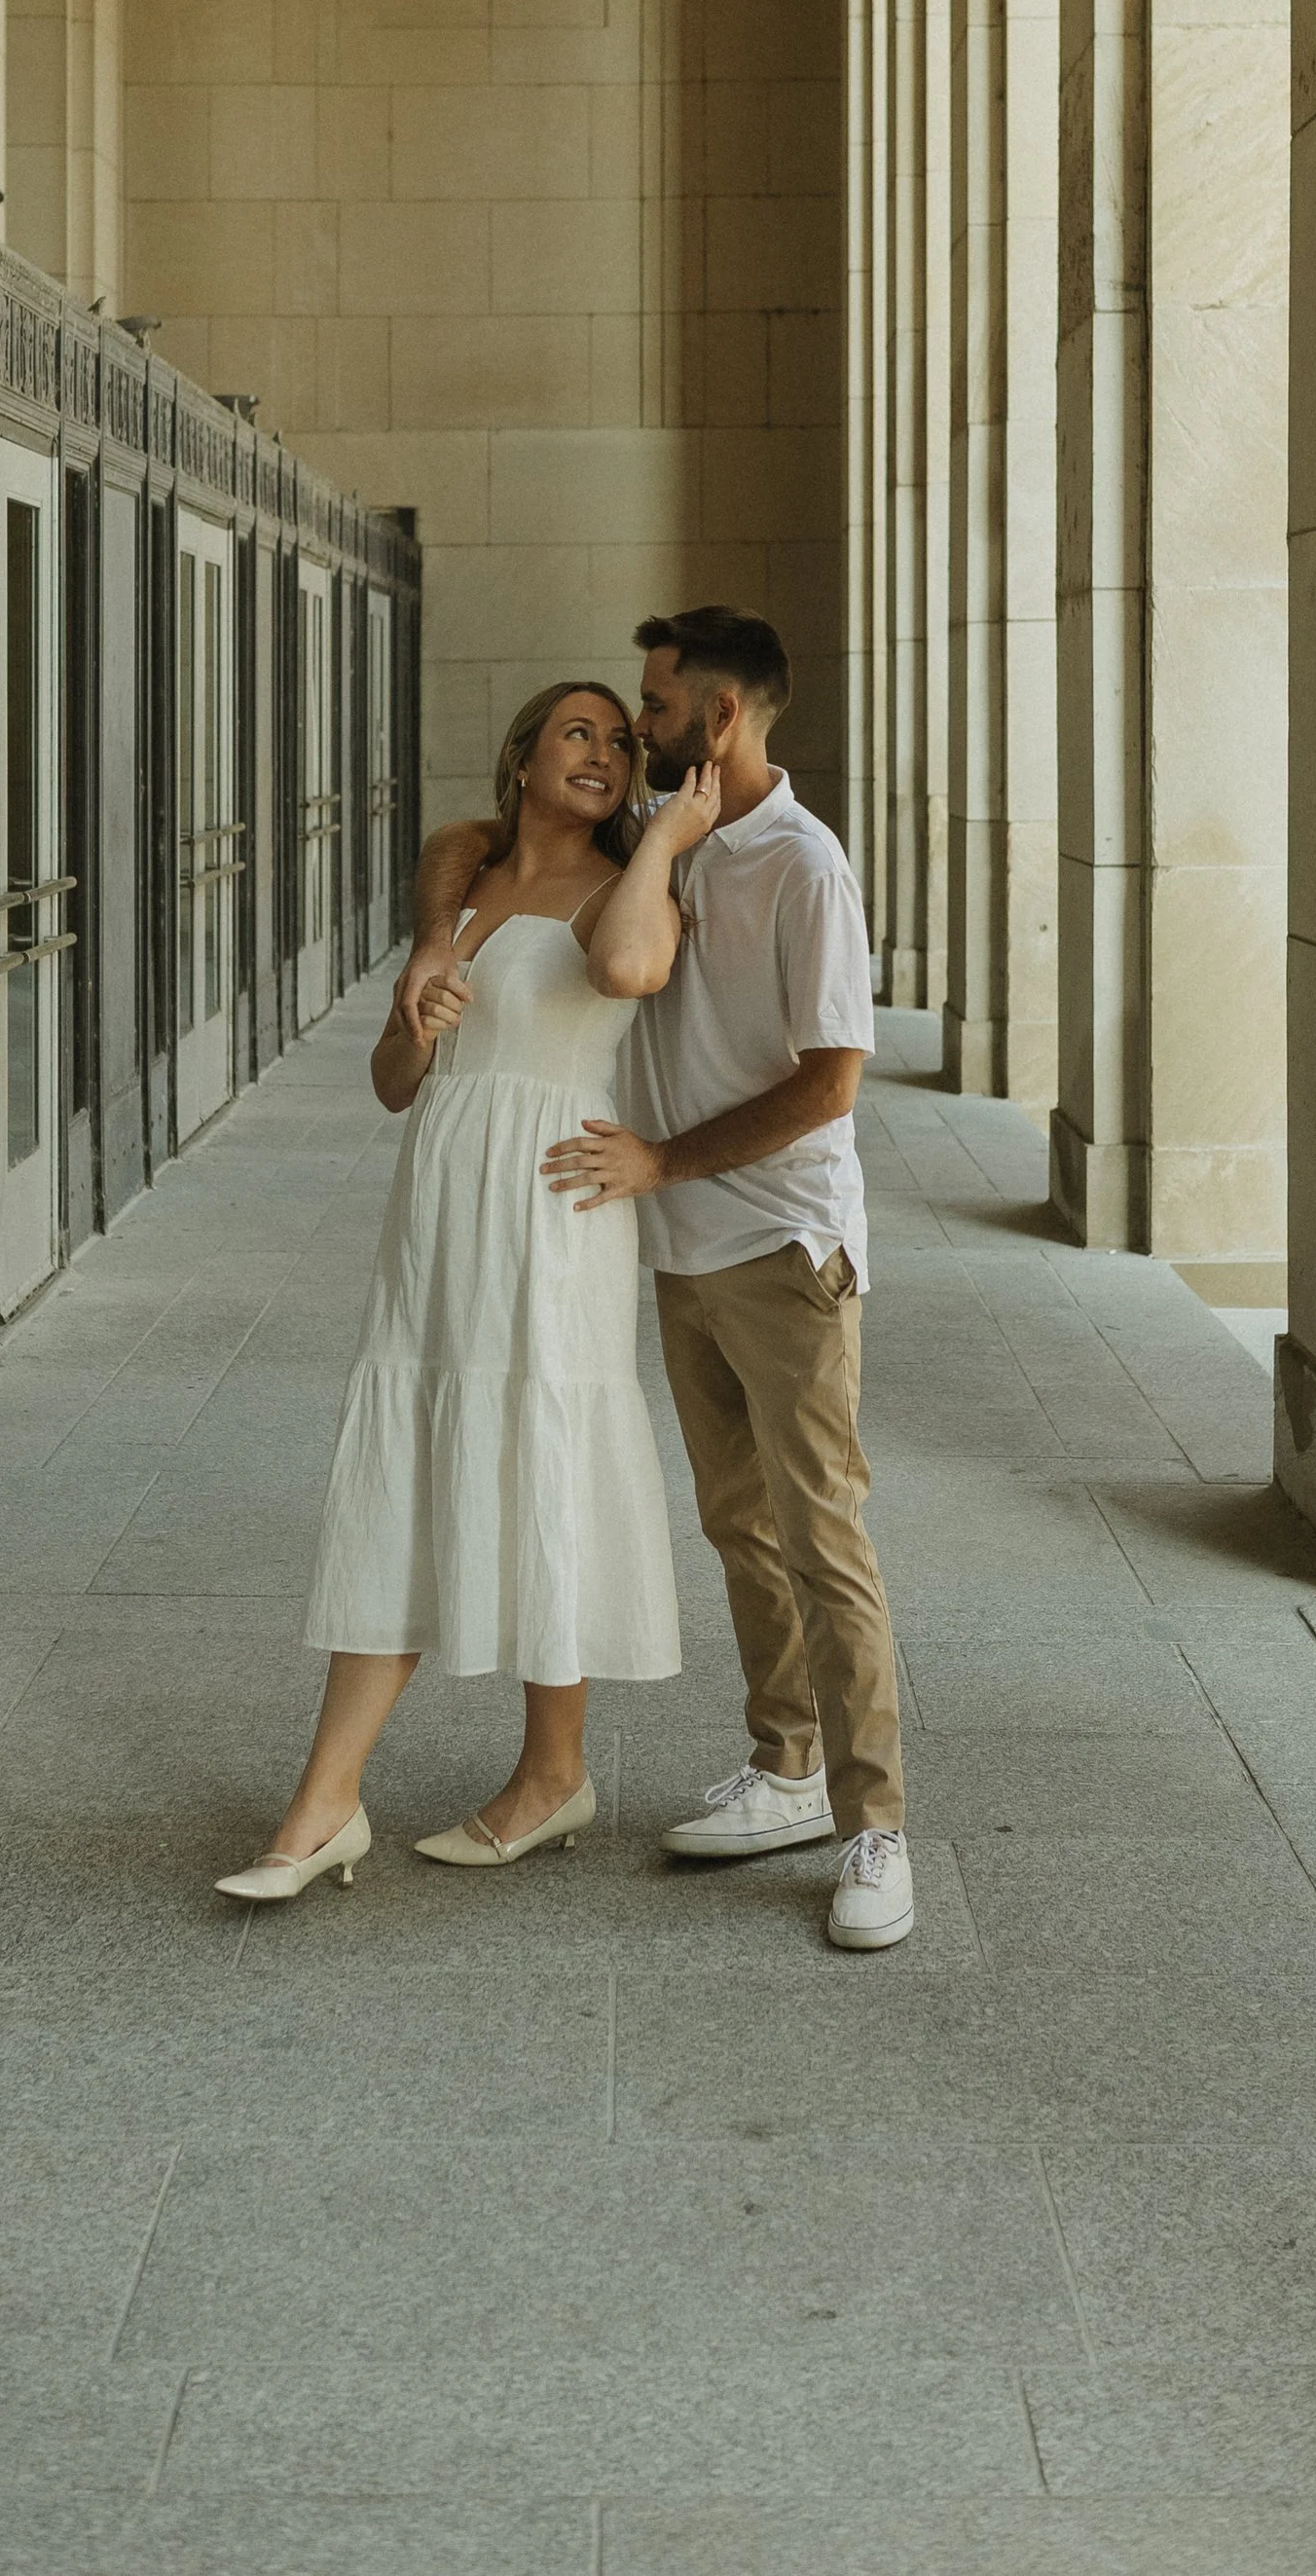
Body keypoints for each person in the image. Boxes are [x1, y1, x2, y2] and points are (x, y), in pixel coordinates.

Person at [398, 608, 910, 1952]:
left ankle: (877, 1829)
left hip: (783, 1242)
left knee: (825, 1533)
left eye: (657, 713)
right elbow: (481, 844)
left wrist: (667, 1159)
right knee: (741, 1525)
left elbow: (832, 1078)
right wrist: (433, 931)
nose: (638, 735)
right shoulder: (658, 843)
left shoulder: (804, 865)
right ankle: (788, 1766)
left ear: (721, 719)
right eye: (623, 719)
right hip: (679, 1245)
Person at [216, 681, 713, 1906]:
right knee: (409, 1468)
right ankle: (324, 1806)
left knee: (544, 1450)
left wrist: (657, 837)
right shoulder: (468, 879)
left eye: (620, 738)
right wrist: (419, 1006)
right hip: (440, 1195)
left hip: (553, 1198)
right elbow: (396, 1083)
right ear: (522, 755)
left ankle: (552, 1774)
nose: (604, 750)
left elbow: (633, 966)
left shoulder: (624, 884)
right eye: (577, 733)